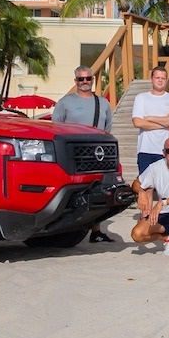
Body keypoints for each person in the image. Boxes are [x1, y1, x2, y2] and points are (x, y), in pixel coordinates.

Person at [52, 65, 113, 242]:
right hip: (74, 155)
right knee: (75, 192)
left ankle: (96, 231)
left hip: (97, 154)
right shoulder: (65, 102)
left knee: (99, 192)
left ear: (93, 80)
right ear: (76, 81)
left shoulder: (103, 103)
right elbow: (56, 127)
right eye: (81, 79)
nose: (85, 82)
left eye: (88, 78)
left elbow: (108, 127)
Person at [131, 65, 169, 175]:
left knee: (165, 187)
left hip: (166, 150)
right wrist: (165, 123)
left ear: (166, 80)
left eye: (163, 78)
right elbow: (137, 122)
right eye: (157, 78)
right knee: (146, 186)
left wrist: (150, 118)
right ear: (151, 78)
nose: (160, 81)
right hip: (145, 149)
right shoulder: (141, 97)